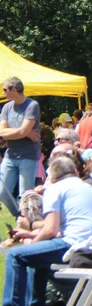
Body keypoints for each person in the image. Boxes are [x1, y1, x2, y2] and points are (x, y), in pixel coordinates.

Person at [0, 156, 92, 306]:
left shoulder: (55, 189)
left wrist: (33, 241)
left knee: (15, 255)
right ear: (74, 172)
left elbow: (51, 230)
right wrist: (33, 238)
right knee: (38, 256)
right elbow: (56, 229)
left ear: (50, 177)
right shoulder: (86, 187)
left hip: (76, 248)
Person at [1, 77, 42, 217]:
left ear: (14, 89)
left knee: (25, 195)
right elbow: (2, 131)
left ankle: (28, 223)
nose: (3, 92)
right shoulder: (6, 107)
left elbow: (22, 131)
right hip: (10, 155)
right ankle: (19, 216)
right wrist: (22, 132)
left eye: (5, 89)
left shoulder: (32, 105)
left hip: (28, 155)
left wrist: (22, 131)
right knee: (1, 191)